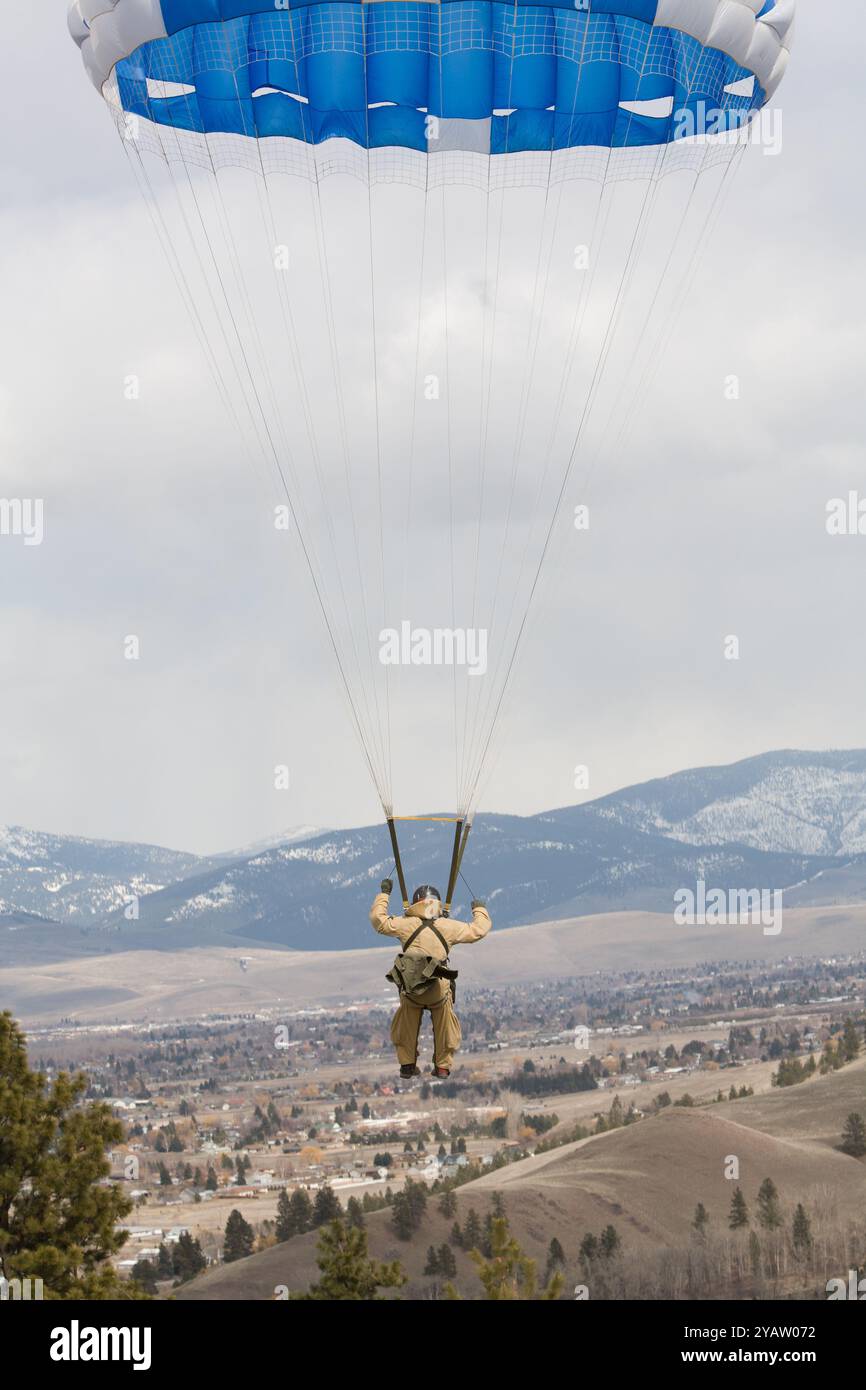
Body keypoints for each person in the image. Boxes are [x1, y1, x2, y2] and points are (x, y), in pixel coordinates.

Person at [371, 879, 491, 1079]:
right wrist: (479, 909)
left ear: (416, 902)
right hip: (438, 989)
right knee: (446, 1025)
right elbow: (478, 930)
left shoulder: (405, 925)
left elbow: (378, 920)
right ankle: (443, 1066)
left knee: (405, 1025)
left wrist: (384, 894)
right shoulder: (448, 926)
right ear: (437, 903)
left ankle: (407, 1065)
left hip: (411, 990)